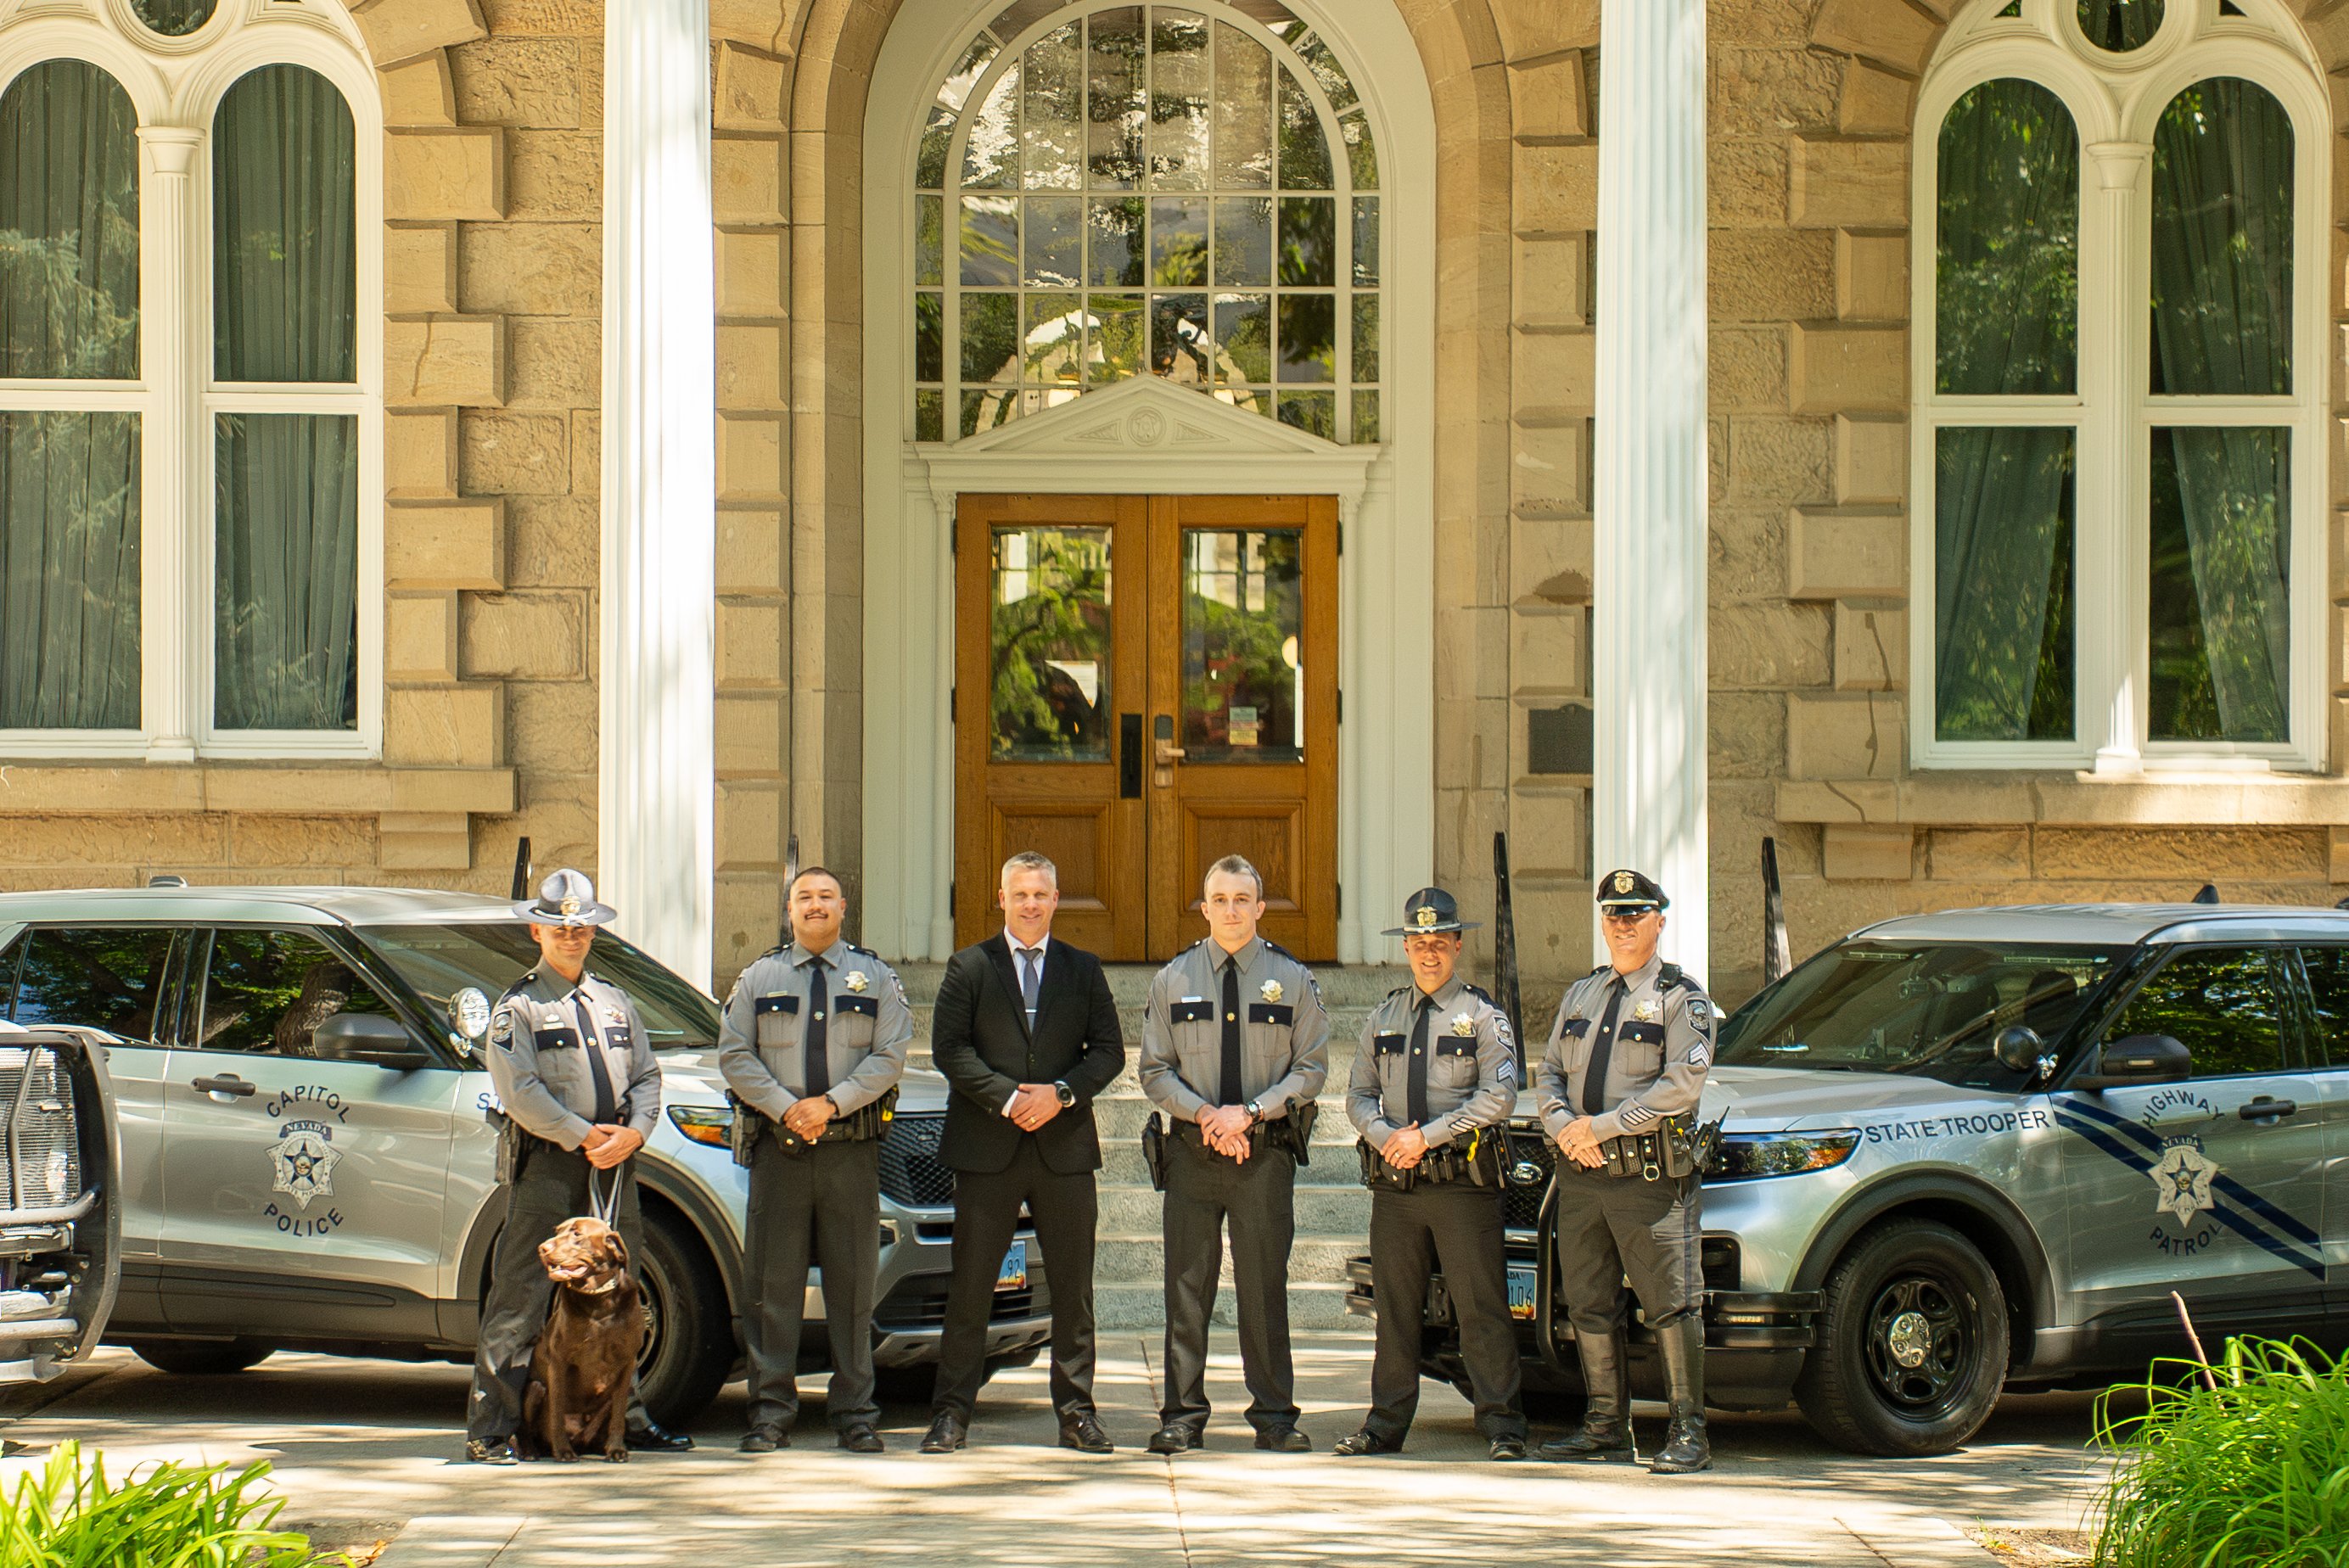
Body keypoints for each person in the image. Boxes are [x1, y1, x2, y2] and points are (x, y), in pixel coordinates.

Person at [464, 869, 692, 1463]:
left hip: (615, 1166)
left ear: (593, 932)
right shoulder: (518, 1008)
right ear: (537, 932)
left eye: (581, 928)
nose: (571, 936)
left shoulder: (616, 1001)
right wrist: (584, 1135)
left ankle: (626, 1420)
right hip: (548, 1167)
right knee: (521, 1297)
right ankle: (492, 1429)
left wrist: (635, 1132)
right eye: (560, 928)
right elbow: (521, 1092)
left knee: (623, 1295)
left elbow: (647, 1076)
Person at [921, 852, 1125, 1455]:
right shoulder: (969, 967)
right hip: (988, 1147)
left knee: (1073, 1290)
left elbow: (1108, 1052)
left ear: (1055, 899)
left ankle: (1077, 1414)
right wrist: (1009, 1099)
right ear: (1002, 899)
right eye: (1020, 894)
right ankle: (951, 1414)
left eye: (1040, 894)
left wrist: (1060, 1095)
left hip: (1064, 1149)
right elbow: (950, 1050)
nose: (1030, 904)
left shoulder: (1083, 968)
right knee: (971, 1288)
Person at [1136, 855, 1330, 1454]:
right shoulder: (1173, 979)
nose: (1231, 910)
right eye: (1219, 899)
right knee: (1186, 1290)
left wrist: (1248, 1113)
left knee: (1264, 1289)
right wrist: (1207, 1116)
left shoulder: (1292, 979)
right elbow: (1154, 1070)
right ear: (1204, 907)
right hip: (1191, 1153)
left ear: (1260, 907)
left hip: (1263, 1154)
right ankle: (1182, 1417)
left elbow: (1311, 1069)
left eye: (1242, 899)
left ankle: (1274, 1417)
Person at [720, 866, 912, 1455]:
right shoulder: (760, 977)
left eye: (826, 896)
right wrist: (787, 1108)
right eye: (804, 897)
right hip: (779, 1152)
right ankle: (769, 1414)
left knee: (853, 1291)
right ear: (789, 910)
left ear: (843, 907)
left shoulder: (876, 977)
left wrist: (830, 1105)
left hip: (850, 1153)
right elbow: (735, 1054)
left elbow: (890, 1055)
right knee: (772, 1289)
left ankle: (855, 1414)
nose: (815, 905)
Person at [1335, 888, 1528, 1462]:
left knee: (1481, 1308)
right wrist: (1385, 1137)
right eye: (1418, 942)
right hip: (1397, 1186)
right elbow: (1358, 1094)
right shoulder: (1384, 1016)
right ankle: (1385, 1425)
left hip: (1461, 1186)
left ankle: (1503, 1425)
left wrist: (1428, 1136)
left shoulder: (1483, 1016)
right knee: (1395, 1311)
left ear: (1457, 945)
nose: (1428, 952)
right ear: (1406, 948)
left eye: (1439, 941)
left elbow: (1500, 1096)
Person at [1535, 868, 1716, 1475]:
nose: (1623, 924)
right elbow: (1549, 1072)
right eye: (1614, 914)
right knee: (1589, 1301)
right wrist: (1565, 1126)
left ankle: (1689, 1433)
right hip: (1582, 1174)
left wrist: (1603, 1127)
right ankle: (1607, 1427)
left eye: (1635, 913)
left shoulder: (1681, 998)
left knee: (1671, 1304)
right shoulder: (1582, 994)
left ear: (1659, 921)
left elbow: (1681, 1086)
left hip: (1648, 1178)